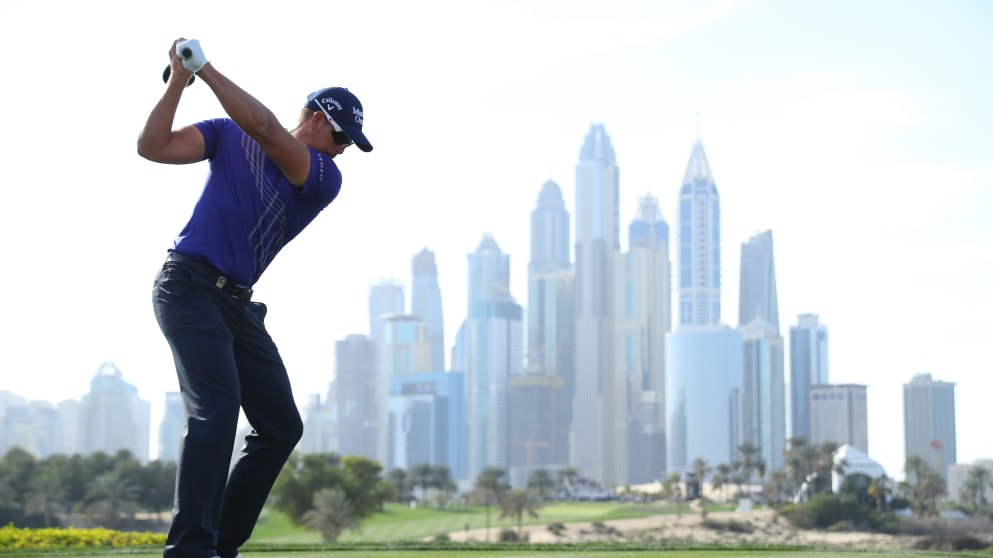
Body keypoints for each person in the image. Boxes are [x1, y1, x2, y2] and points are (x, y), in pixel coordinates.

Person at [137, 38, 372, 558]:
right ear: (313, 118)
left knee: (281, 425)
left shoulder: (323, 177)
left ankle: (221, 544)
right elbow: (152, 147)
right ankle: (192, 550)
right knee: (216, 411)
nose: (343, 147)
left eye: (350, 142)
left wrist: (207, 69)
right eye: (340, 135)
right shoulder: (226, 136)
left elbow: (264, 128)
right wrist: (179, 81)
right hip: (188, 288)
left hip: (237, 307)